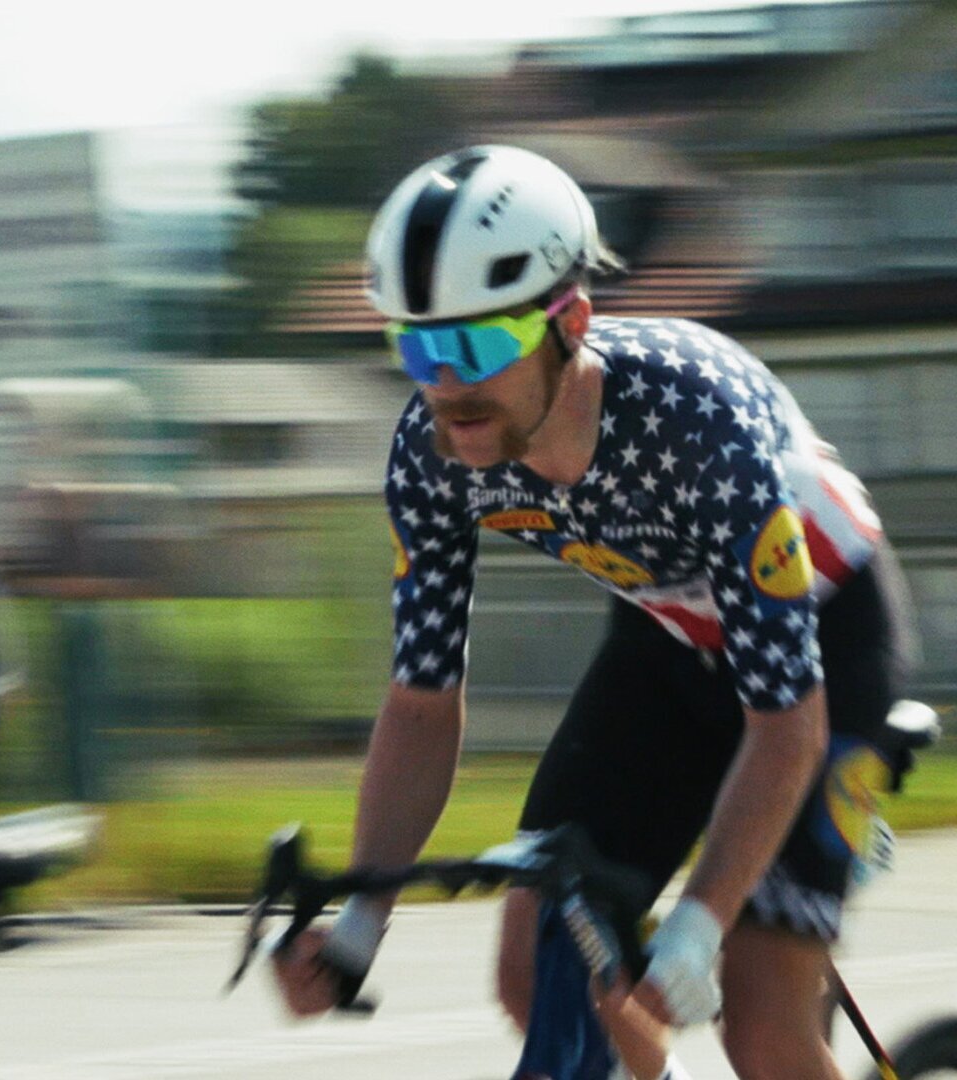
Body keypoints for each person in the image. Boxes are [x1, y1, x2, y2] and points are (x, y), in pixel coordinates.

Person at [271, 145, 916, 1080]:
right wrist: (360, 924)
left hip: (828, 642)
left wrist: (696, 928)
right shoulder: (431, 455)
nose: (447, 387)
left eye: (477, 347)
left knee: (761, 1027)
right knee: (542, 974)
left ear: (569, 322)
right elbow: (420, 704)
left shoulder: (696, 426)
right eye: (416, 347)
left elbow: (785, 728)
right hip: (670, 642)